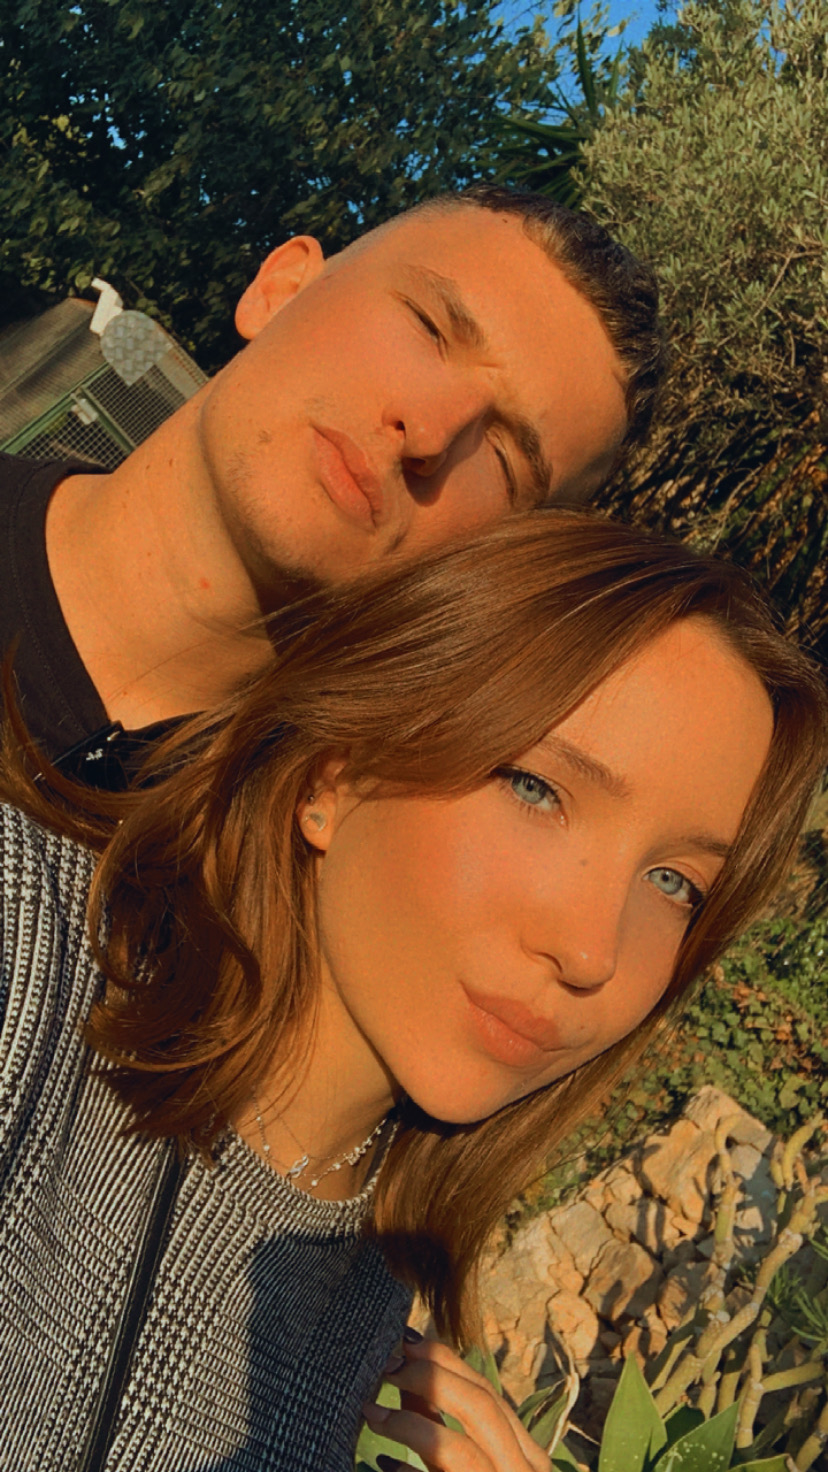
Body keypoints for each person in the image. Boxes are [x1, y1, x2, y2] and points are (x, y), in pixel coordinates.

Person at [3, 510, 824, 1472]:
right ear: (334, 774)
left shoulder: (371, 1307)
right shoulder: (30, 955)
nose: (591, 951)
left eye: (675, 882)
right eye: (536, 789)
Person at [0, 185, 666, 785]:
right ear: (281, 288)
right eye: (428, 328)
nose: (428, 433)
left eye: (502, 456)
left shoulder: (284, 867)